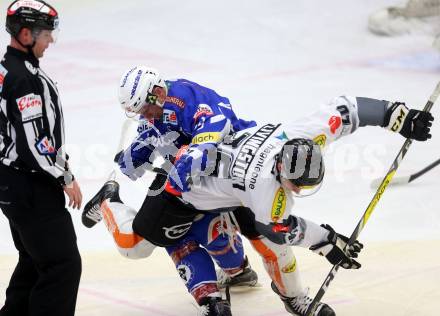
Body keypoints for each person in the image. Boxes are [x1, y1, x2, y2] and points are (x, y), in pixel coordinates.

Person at [173, 95, 433, 315]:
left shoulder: (305, 136)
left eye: (306, 186)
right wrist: (326, 240)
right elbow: (278, 229)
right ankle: (291, 296)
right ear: (279, 167)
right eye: (295, 184)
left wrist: (396, 116)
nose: (298, 190)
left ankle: (290, 294)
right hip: (192, 194)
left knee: (271, 243)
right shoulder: (264, 187)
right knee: (276, 247)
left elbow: (348, 108)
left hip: (229, 182)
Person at [82, 66, 258, 316]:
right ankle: (212, 297)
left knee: (229, 230)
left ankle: (238, 271)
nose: (145, 115)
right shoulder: (153, 112)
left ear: (156, 93)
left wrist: (189, 160)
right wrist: (131, 158)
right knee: (146, 241)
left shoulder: (187, 98)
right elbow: (141, 150)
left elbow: (217, 125)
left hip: (214, 176)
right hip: (183, 183)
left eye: (145, 108)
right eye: (140, 111)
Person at [0, 1, 83, 316]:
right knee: (62, 266)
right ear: (25, 34)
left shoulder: (7, 68)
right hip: (32, 188)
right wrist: (66, 177)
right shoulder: (23, 78)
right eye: (46, 34)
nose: (51, 41)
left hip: (13, 186)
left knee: (35, 262)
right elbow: (35, 144)